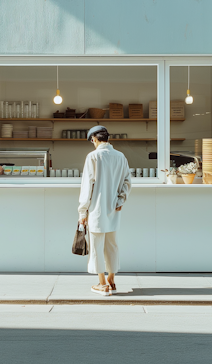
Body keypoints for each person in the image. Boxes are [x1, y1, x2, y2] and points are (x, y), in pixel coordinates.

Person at [78, 125, 132, 296]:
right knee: (112, 246)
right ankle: (112, 281)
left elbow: (87, 186)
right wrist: (121, 199)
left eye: (92, 140)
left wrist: (82, 212)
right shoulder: (120, 156)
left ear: (94, 138)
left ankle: (102, 284)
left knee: (96, 246)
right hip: (114, 209)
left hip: (96, 209)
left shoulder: (93, 156)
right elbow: (127, 180)